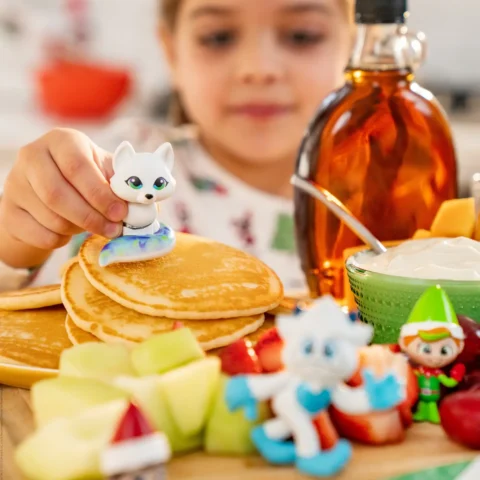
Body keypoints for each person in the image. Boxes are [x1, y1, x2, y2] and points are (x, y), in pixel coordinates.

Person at [0, 0, 353, 293]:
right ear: (172, 54)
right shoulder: (122, 168)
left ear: (352, 46)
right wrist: (17, 240)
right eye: (218, 37)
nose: (258, 69)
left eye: (302, 36)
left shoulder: (392, 190)